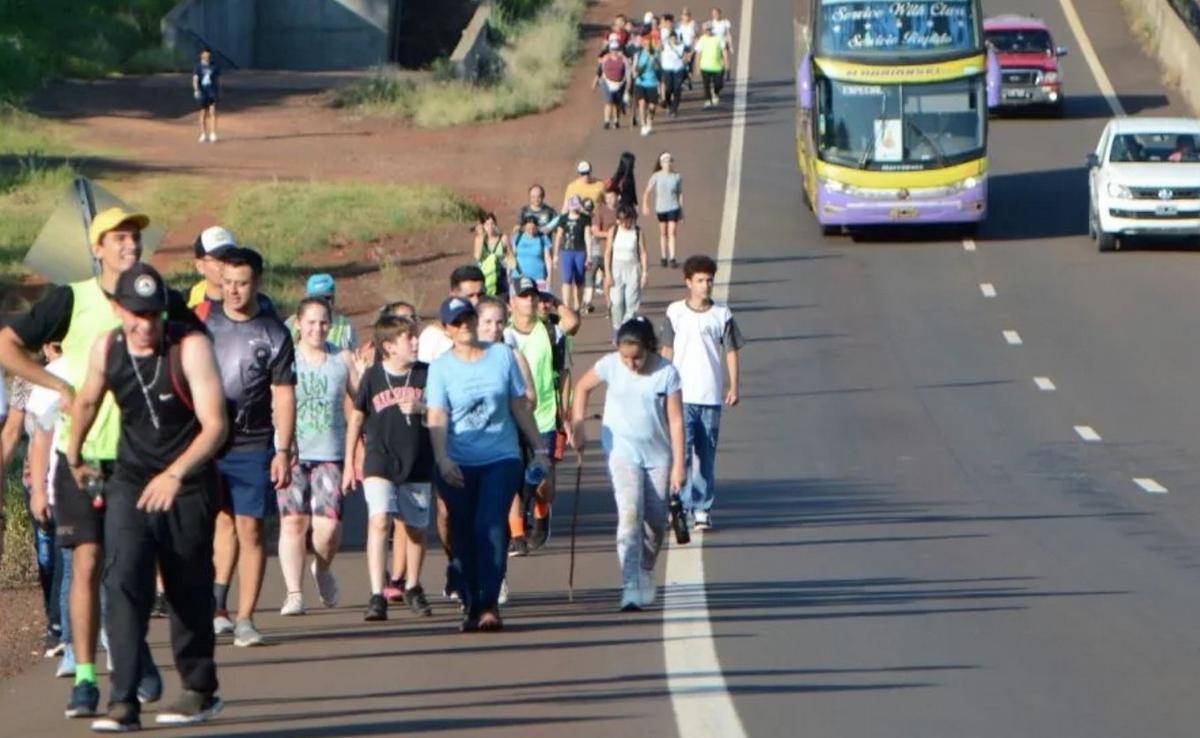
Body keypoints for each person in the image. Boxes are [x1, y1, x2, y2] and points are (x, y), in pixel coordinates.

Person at [0, 206, 174, 719]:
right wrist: (60, 387)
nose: (130, 246)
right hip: (78, 457)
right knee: (87, 563)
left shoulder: (150, 300)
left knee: (130, 571)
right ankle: (83, 676)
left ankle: (135, 653)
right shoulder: (70, 299)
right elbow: (7, 344)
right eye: (119, 238)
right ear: (97, 248)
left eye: (135, 238)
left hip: (137, 459)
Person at [66, 263, 227, 731]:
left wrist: (176, 474)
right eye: (135, 314)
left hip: (189, 480)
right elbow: (89, 400)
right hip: (132, 479)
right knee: (124, 583)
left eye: (153, 315)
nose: (145, 325)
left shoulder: (190, 348)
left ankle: (200, 690)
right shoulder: (109, 346)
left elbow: (215, 425)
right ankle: (123, 700)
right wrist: (74, 454)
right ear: (118, 310)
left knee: (186, 587)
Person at [426, 297, 548, 632]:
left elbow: (519, 405)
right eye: (457, 321)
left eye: (468, 318)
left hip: (501, 457)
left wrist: (539, 447)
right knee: (461, 533)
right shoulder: (441, 368)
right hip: (458, 461)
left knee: (490, 525)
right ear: (447, 330)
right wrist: (442, 458)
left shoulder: (501, 357)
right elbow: (437, 416)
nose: (464, 325)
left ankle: (489, 603)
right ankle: (469, 600)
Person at [204, 247, 296, 648]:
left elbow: (284, 395)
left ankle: (245, 618)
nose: (233, 291)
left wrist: (283, 450)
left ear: (257, 282)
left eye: (241, 283)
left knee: (250, 528)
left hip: (253, 444)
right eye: (226, 283)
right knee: (219, 523)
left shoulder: (274, 333)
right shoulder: (202, 325)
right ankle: (217, 606)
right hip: (208, 443)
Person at [571, 317, 685, 611]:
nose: (631, 363)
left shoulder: (666, 373)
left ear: (649, 348)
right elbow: (582, 387)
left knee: (656, 521)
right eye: (625, 357)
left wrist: (679, 464)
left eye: (637, 357)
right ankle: (630, 583)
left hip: (658, 455)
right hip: (621, 451)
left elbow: (675, 421)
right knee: (630, 513)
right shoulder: (610, 365)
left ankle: (646, 568)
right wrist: (579, 423)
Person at [345, 315, 435, 621]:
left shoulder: (427, 374)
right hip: (379, 459)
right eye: (407, 338)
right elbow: (357, 419)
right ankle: (376, 593)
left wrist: (423, 409)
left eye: (415, 336)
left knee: (416, 529)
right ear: (388, 347)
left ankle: (412, 585)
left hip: (418, 460)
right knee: (380, 520)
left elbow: (442, 414)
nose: (414, 342)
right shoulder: (372, 376)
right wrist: (349, 464)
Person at [277, 298, 360, 617]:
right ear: (298, 323)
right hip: (293, 452)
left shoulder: (342, 358)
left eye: (323, 322)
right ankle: (294, 593)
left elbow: (360, 402)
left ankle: (322, 569)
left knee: (327, 529)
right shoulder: (288, 358)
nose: (317, 328)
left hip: (331, 453)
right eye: (310, 322)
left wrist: (358, 450)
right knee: (293, 521)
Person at [660, 255, 745, 531]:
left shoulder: (722, 314)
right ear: (688, 282)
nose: (705, 285)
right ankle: (681, 507)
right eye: (700, 280)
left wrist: (734, 386)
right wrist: (663, 387)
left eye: (709, 280)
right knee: (681, 455)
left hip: (710, 397)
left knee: (706, 455)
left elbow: (731, 351)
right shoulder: (675, 312)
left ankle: (702, 509)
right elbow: (667, 351)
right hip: (681, 397)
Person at [504, 278, 577, 555]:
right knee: (514, 478)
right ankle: (518, 535)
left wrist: (554, 300)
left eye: (534, 296)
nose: (530, 301)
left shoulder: (549, 331)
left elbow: (572, 323)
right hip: (512, 417)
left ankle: (542, 513)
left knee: (542, 480)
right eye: (524, 296)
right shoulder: (504, 335)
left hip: (545, 416)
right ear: (513, 302)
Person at [605, 205, 649, 333]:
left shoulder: (637, 232)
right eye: (620, 220)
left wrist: (645, 273)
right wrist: (608, 274)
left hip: (633, 268)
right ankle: (617, 328)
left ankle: (628, 329)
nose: (623, 223)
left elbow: (643, 253)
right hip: (616, 269)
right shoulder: (613, 231)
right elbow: (608, 253)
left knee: (632, 302)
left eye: (626, 220)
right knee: (617, 302)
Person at [285, 274, 358, 351]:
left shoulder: (345, 325)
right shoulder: (291, 323)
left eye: (326, 298)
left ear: (333, 299)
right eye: (315, 298)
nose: (321, 303)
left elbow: (353, 354)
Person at [644, 152, 685, 268]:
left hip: (673, 207)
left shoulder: (677, 176)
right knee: (663, 233)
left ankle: (672, 257)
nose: (668, 163)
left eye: (670, 161)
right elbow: (647, 191)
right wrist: (645, 205)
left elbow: (679, 194)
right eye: (665, 161)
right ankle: (663, 256)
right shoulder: (656, 176)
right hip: (661, 208)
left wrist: (681, 211)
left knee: (672, 232)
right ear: (661, 164)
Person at [553, 196, 592, 311]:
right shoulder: (563, 219)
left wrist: (589, 256)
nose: (574, 208)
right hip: (566, 251)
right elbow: (559, 236)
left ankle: (577, 305)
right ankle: (566, 305)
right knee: (567, 279)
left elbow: (587, 237)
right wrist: (555, 255)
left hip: (580, 251)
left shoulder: (585, 219)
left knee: (579, 280)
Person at [187, 227, 238, 309]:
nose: (225, 264)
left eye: (230, 257)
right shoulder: (186, 306)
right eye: (218, 259)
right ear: (200, 266)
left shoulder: (258, 303)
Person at [582, 194, 612, 315]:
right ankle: (609, 303)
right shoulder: (597, 218)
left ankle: (588, 302)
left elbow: (587, 239)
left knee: (590, 278)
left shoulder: (584, 221)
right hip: (602, 252)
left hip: (595, 253)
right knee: (604, 277)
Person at [593, 40, 630, 130]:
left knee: (616, 104)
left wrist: (628, 88)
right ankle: (606, 122)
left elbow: (628, 74)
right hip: (606, 82)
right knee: (608, 102)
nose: (615, 51)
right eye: (613, 49)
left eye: (616, 49)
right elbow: (599, 71)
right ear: (610, 49)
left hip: (620, 83)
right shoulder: (605, 58)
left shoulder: (624, 60)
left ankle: (616, 120)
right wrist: (595, 82)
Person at [658, 15, 689, 118]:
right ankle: (668, 103)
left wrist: (686, 61)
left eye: (671, 22)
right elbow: (657, 47)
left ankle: (674, 109)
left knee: (677, 89)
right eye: (667, 22)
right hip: (666, 67)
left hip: (678, 68)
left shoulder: (680, 37)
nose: (669, 24)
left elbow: (687, 48)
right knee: (668, 89)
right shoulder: (662, 36)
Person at [473, 213, 511, 297]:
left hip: (500, 276)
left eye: (492, 223)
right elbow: (477, 256)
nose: (490, 227)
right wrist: (482, 236)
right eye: (487, 224)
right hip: (485, 276)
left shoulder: (503, 238)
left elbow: (510, 257)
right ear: (483, 226)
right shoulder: (479, 239)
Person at [513, 215, 554, 292]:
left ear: (537, 227)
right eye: (529, 228)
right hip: (519, 277)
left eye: (533, 228)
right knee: (522, 301)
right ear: (524, 227)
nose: (531, 230)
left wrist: (549, 277)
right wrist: (509, 275)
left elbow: (548, 258)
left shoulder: (543, 238)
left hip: (539, 277)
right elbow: (512, 257)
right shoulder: (518, 237)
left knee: (542, 300)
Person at [631, 34, 661, 137]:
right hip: (640, 82)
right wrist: (634, 72)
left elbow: (659, 67)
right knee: (642, 103)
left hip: (652, 82)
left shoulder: (656, 54)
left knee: (652, 106)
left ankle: (649, 121)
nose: (647, 44)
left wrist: (654, 59)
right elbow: (634, 67)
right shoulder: (638, 54)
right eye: (645, 43)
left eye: (649, 43)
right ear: (643, 44)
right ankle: (643, 125)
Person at [696, 21, 730, 105]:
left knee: (718, 84)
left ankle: (715, 93)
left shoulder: (718, 38)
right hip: (705, 66)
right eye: (706, 30)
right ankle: (708, 99)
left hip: (717, 66)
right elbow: (698, 54)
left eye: (709, 29)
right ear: (704, 31)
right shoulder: (702, 39)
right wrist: (697, 66)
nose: (708, 31)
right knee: (706, 84)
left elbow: (724, 51)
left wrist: (726, 63)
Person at [193, 48, 221, 143]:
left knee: (213, 112)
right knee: (203, 113)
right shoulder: (198, 67)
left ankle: (213, 133)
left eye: (208, 56)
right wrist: (196, 90)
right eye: (205, 55)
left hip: (212, 92)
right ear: (201, 55)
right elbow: (195, 79)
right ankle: (203, 134)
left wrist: (217, 90)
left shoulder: (214, 66)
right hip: (203, 92)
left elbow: (217, 79)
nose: (207, 57)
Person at [710, 6, 735, 77]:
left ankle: (727, 73)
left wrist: (731, 46)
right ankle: (718, 72)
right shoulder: (711, 23)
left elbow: (728, 34)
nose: (715, 15)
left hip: (723, 43)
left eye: (716, 14)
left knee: (726, 58)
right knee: (717, 59)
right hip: (715, 44)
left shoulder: (725, 22)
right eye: (713, 14)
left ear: (720, 14)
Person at [679, 8, 699, 90]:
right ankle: (683, 80)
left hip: (691, 47)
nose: (686, 17)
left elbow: (697, 37)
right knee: (682, 65)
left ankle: (689, 81)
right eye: (684, 15)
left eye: (687, 15)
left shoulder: (693, 24)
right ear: (681, 16)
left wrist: (694, 50)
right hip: (682, 48)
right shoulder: (678, 25)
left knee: (690, 66)